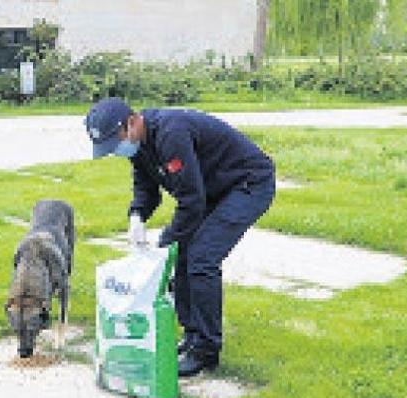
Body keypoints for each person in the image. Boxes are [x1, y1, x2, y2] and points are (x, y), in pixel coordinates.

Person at [85, 97, 276, 377]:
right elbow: (146, 187)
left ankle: (206, 351)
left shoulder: (171, 134)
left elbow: (192, 201)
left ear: (132, 122)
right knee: (183, 254)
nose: (117, 151)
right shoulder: (139, 146)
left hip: (248, 184)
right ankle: (192, 336)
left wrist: (166, 241)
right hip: (214, 189)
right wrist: (137, 215)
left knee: (201, 257)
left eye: (117, 143)